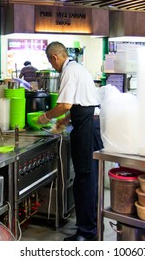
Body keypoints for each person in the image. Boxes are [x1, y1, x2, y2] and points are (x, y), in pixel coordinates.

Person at [38, 41, 103, 241]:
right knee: (88, 180)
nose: (52, 66)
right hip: (90, 125)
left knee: (84, 181)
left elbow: (66, 104)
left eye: (51, 62)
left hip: (86, 129)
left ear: (54, 58)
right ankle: (91, 228)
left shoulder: (68, 71)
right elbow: (78, 104)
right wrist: (63, 122)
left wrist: (46, 117)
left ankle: (86, 233)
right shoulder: (78, 68)